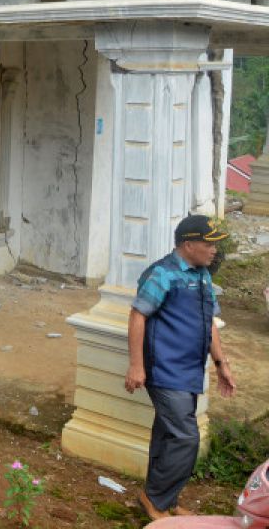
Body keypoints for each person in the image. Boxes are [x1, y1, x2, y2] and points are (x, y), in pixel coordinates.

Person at [125, 214, 237, 520]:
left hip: (188, 370)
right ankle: (154, 499)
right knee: (186, 437)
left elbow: (209, 323)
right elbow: (138, 316)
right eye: (209, 244)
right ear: (188, 244)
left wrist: (220, 364)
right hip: (164, 369)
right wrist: (136, 366)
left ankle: (166, 498)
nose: (215, 250)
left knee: (167, 434)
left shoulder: (202, 275)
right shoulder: (162, 274)